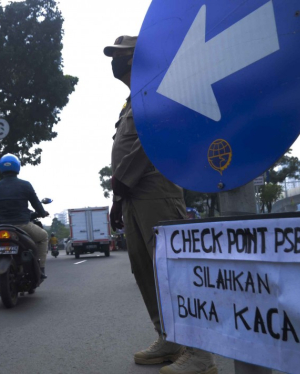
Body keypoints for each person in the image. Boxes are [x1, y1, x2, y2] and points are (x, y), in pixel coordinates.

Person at [105, 35, 216, 373]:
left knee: (174, 273)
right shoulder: (132, 99)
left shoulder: (159, 89)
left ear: (138, 60)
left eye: (121, 56)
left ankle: (200, 354)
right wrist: (119, 197)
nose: (114, 62)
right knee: (145, 270)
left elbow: (153, 140)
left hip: (157, 190)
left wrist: (121, 186)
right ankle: (169, 338)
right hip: (133, 195)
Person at [0, 154, 50, 278]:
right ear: (17, 167)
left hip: (1, 226)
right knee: (43, 237)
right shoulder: (25, 185)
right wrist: (42, 213)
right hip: (22, 225)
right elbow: (36, 204)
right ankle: (40, 267)